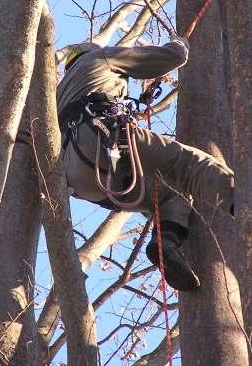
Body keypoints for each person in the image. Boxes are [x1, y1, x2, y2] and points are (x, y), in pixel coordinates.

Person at [57, 37, 237, 292]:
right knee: (188, 165)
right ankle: (246, 203)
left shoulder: (57, 95)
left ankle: (167, 242)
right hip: (100, 137)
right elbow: (171, 58)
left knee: (171, 194)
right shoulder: (100, 58)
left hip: (82, 182)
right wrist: (179, 45)